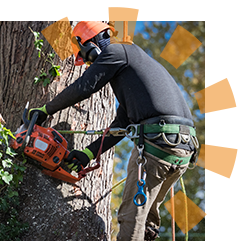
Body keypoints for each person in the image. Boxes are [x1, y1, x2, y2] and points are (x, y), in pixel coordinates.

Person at [28, 21, 199, 241]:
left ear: (90, 44)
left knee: (131, 217)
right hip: (182, 149)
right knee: (146, 219)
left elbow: (84, 87)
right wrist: (87, 154)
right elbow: (121, 125)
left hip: (159, 144)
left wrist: (45, 109)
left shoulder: (117, 51)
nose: (89, 64)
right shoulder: (132, 67)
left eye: (86, 57)